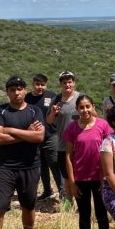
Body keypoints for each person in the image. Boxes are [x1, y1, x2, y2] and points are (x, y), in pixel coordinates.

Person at [0, 76, 45, 229]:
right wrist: (26, 133)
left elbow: (38, 137)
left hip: (30, 166)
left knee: (28, 206)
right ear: (7, 92)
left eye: (20, 89)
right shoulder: (0, 111)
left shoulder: (35, 111)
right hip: (6, 167)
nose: (17, 93)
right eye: (12, 90)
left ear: (25, 90)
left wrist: (11, 131)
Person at [63, 95, 113, 229]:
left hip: (100, 178)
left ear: (93, 106)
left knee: (101, 213)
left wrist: (107, 176)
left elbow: (111, 151)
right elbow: (68, 155)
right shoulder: (72, 128)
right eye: (81, 107)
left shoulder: (103, 125)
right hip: (81, 178)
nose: (85, 110)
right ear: (77, 109)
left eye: (87, 106)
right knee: (84, 214)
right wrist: (71, 181)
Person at [25, 73, 63, 201]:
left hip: (51, 136)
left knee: (55, 164)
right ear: (33, 84)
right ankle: (47, 191)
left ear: (46, 85)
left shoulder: (53, 96)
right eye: (37, 84)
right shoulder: (27, 98)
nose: (40, 87)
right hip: (34, 138)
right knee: (41, 166)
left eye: (42, 85)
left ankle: (64, 195)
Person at [46, 71, 80, 209]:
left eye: (70, 81)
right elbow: (48, 120)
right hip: (62, 145)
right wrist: (53, 113)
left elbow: (93, 116)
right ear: (60, 84)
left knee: (81, 175)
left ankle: (82, 202)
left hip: (80, 145)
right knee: (66, 176)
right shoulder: (56, 100)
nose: (67, 84)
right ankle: (69, 201)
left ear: (74, 83)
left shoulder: (81, 98)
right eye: (64, 82)